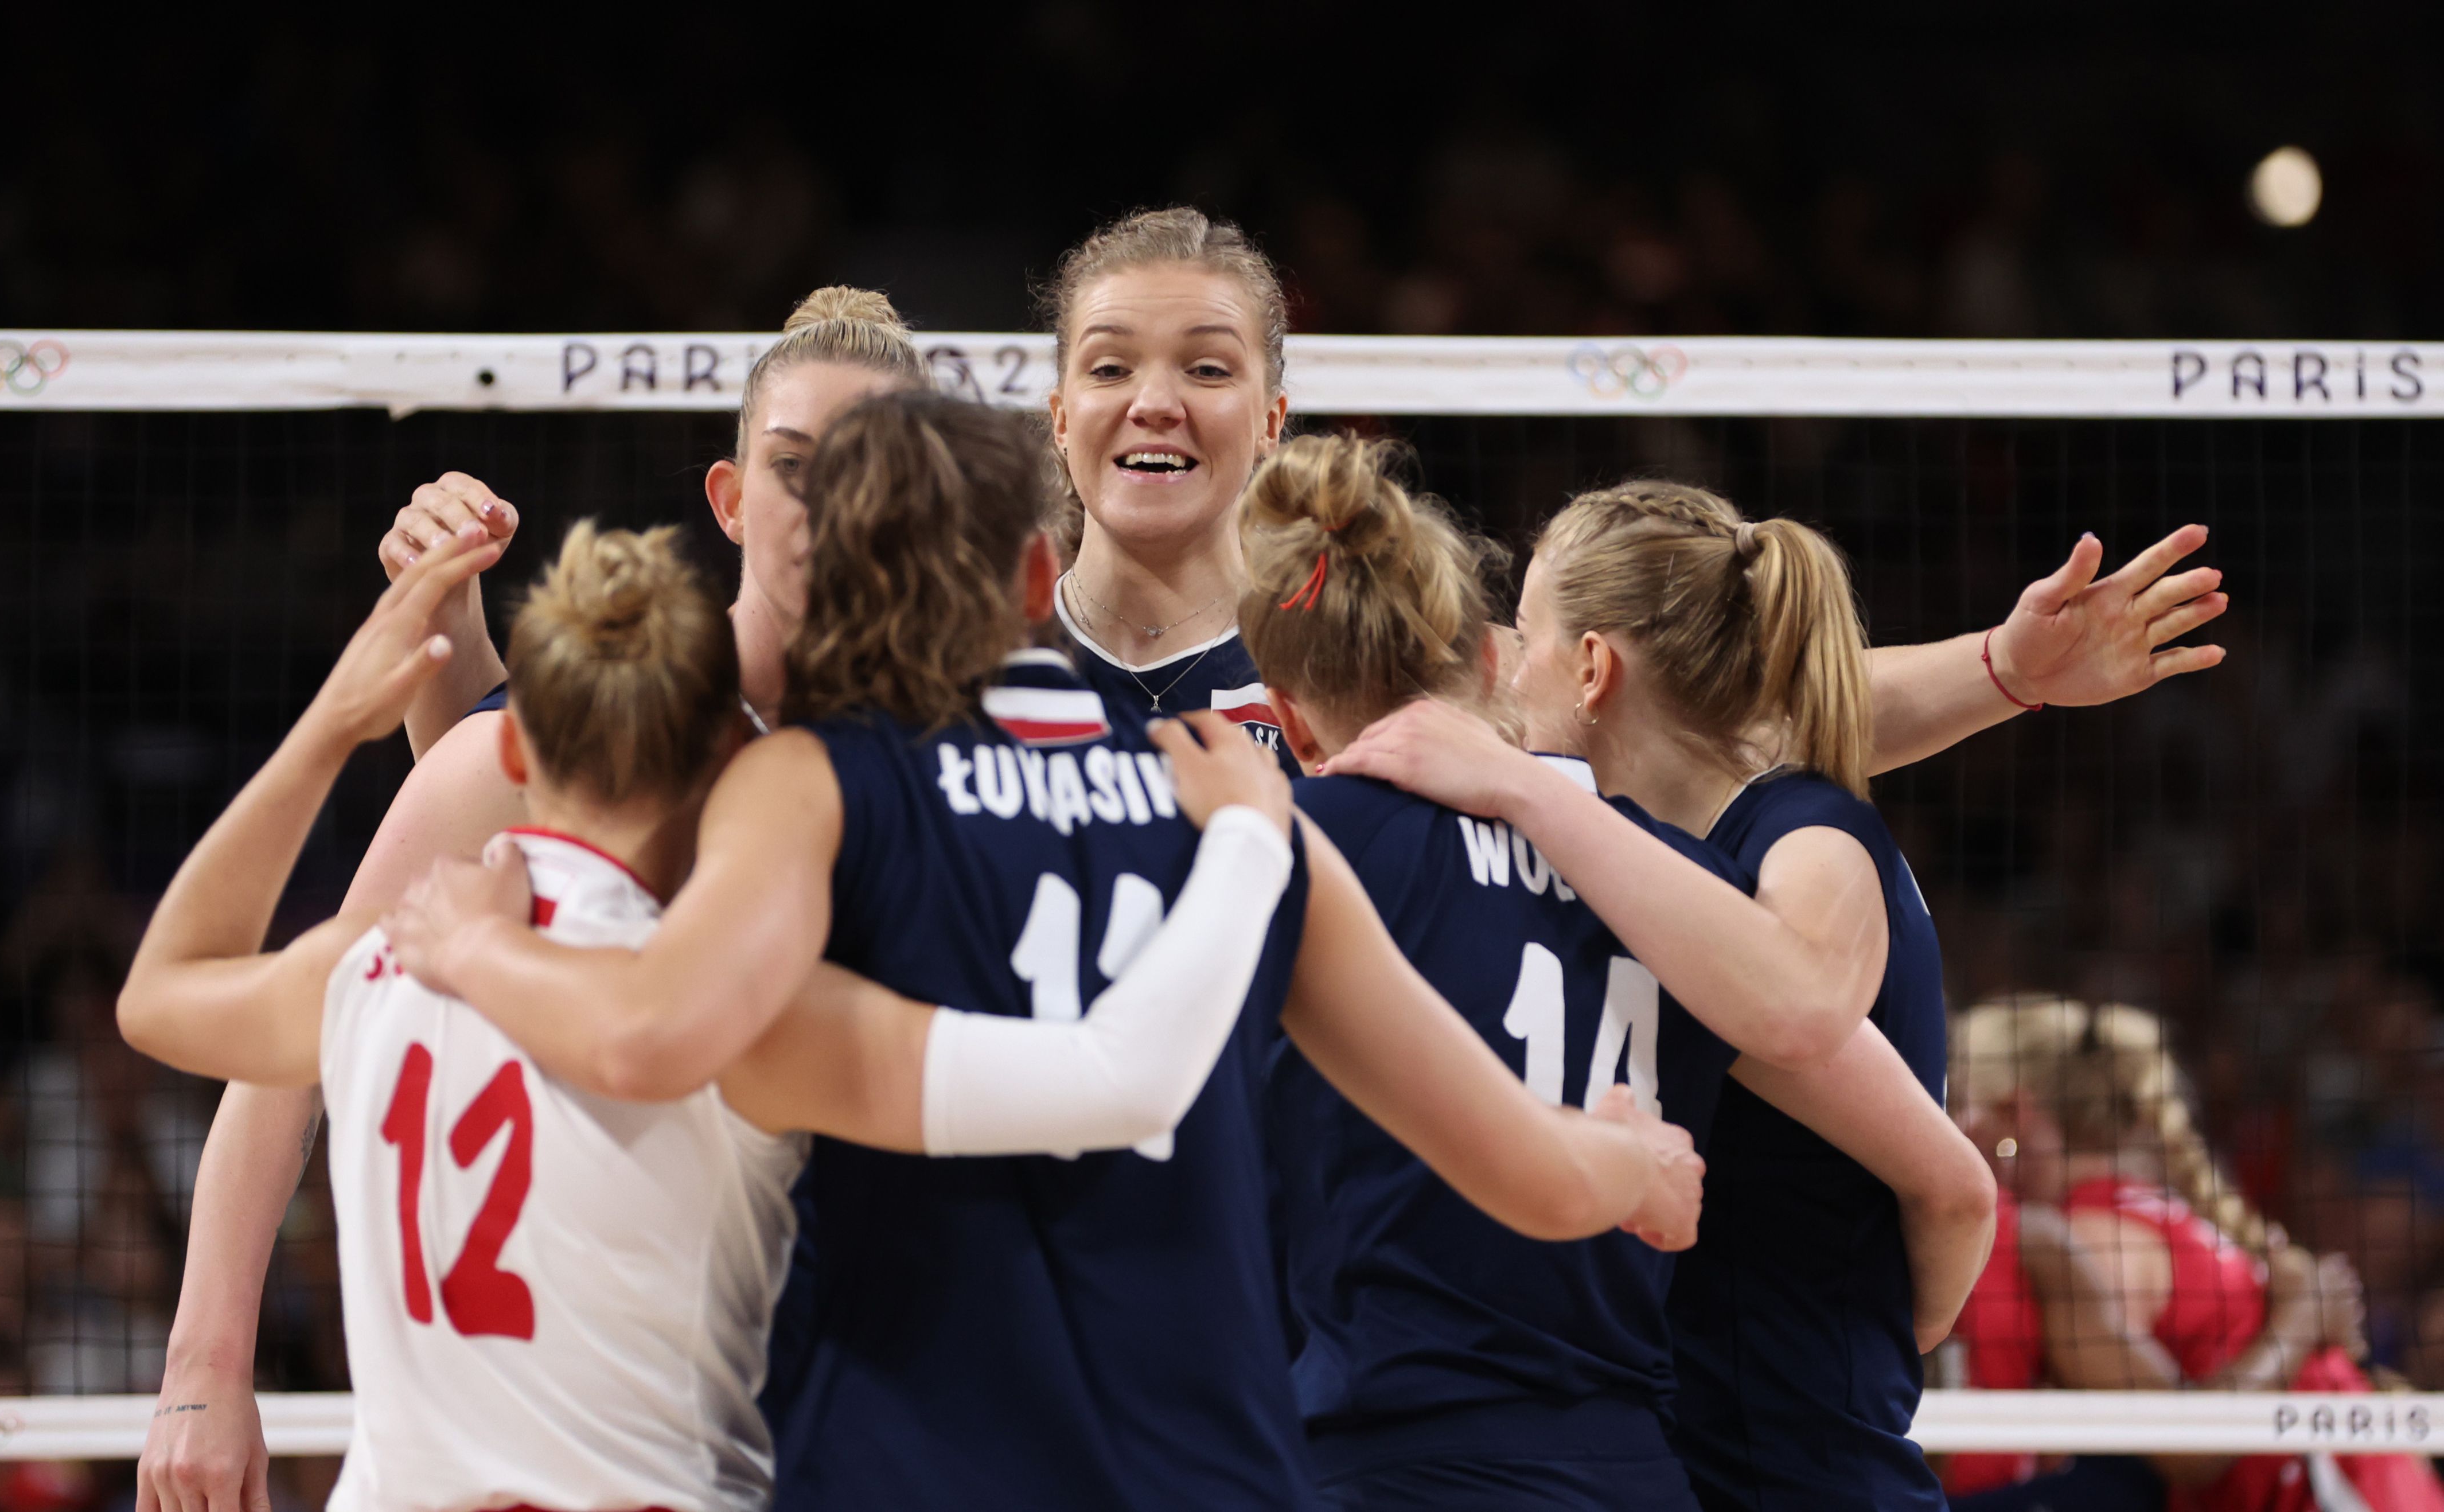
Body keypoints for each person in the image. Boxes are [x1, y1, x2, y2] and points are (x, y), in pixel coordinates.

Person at [149, 208, 2232, 1508]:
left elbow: (1680, 725)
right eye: (1113, 366)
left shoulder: (1363, 689)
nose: (1157, 397)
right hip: (828, 1380)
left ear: (1275, 415)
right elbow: (407, 966)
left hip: (1178, 1396)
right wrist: (209, 1358)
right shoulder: (862, 734)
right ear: (1041, 446)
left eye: (1206, 365)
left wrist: (1991, 670)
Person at [381, 390, 1700, 1511]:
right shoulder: (1243, 810)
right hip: (1212, 1473)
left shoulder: (806, 787)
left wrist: (472, 938)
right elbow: (1525, 1173)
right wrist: (1632, 1162)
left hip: (907, 1464)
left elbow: (637, 995)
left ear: (818, 584)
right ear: (1033, 582)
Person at [118, 519, 1311, 1511]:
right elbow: (1121, 1072)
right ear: (726, 766)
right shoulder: (735, 1024)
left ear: (518, 743)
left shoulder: (375, 969)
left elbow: (160, 991)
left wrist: (335, 722)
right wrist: (1252, 840)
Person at [134, 287, 934, 1512]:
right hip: (567, 1434)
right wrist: (202, 1367)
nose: (834, 506)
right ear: (729, 496)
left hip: (809, 1413)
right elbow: (288, 1041)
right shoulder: (556, 733)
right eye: (795, 466)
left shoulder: (945, 758)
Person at [1237, 434, 1995, 1511]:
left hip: (1385, 1447)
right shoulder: (1684, 897)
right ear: (1484, 664)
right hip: (1636, 1461)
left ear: (1286, 711)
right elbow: (1952, 1176)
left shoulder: (1296, 843)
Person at [1948, 997, 2444, 1512]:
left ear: (2014, 1114)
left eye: (1961, 1101)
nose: (1953, 1125)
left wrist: (2299, 1320)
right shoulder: (2141, 1203)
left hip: (2328, 1488)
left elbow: (2188, 1441)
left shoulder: (2091, 1240)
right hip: (2370, 1472)